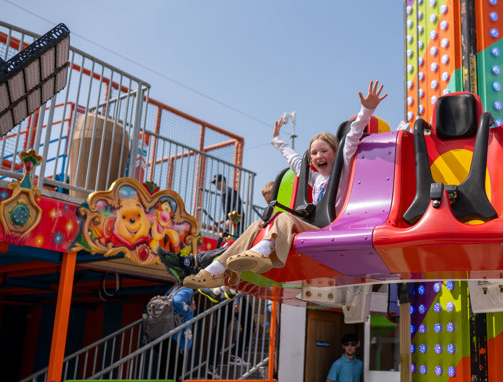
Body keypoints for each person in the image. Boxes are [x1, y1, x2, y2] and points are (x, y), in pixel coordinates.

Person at [183, 80, 387, 289]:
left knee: (284, 217)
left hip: (331, 227)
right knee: (258, 225)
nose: (319, 156)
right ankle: (214, 271)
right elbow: (296, 162)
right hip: (314, 227)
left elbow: (352, 137)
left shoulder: (342, 171)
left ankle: (261, 253)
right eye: (315, 153)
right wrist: (278, 141)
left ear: (335, 153)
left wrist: (367, 109)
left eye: (324, 151)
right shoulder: (316, 178)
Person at [200, 287, 254, 379]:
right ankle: (235, 355)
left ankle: (212, 367)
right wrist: (237, 301)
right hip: (233, 296)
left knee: (219, 332)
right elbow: (235, 280)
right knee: (249, 325)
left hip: (222, 298)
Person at [156, 286, 196, 380]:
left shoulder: (172, 290)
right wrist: (190, 308)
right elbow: (178, 302)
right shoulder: (187, 289)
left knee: (167, 362)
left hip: (163, 330)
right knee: (176, 363)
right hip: (171, 333)